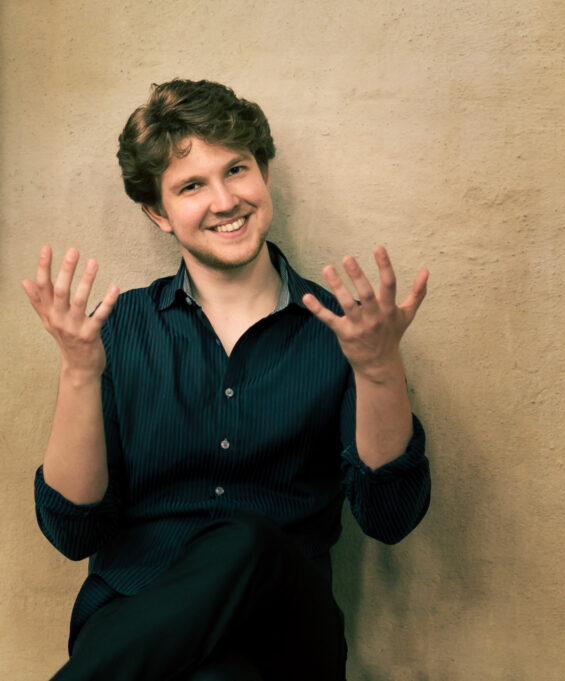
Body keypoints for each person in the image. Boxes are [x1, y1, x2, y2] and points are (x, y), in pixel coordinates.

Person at [21, 79, 431, 680]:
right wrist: (80, 373)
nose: (224, 200)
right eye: (191, 186)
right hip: (137, 615)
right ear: (158, 213)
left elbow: (390, 518)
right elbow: (73, 532)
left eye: (236, 170)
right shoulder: (117, 329)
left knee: (247, 538)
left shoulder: (346, 328)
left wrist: (377, 370)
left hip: (286, 628)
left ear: (263, 173)